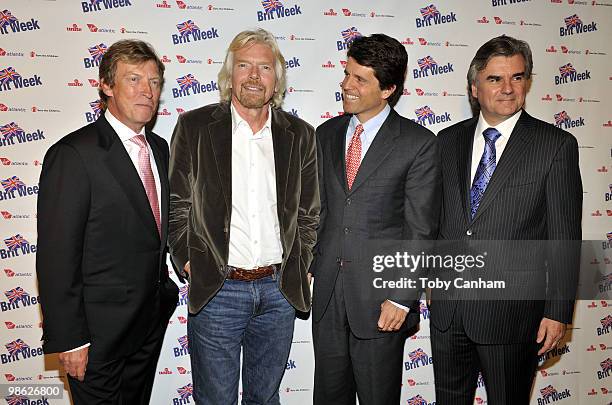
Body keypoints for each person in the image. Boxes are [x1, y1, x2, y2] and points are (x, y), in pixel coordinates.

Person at [168, 28, 319, 404]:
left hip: (278, 290)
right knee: (215, 398)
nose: (254, 76)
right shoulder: (195, 127)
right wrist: (190, 261)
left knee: (265, 398)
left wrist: (302, 263)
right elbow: (177, 205)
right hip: (218, 289)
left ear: (277, 78)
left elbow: (310, 213)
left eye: (264, 67)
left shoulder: (300, 134)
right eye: (244, 66)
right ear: (229, 74)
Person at [430, 35, 582, 404]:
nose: (508, 88)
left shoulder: (555, 145)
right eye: (495, 79)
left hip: (513, 315)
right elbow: (436, 219)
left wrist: (557, 311)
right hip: (449, 312)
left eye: (518, 77)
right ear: (474, 87)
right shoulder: (446, 141)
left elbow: (564, 237)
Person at [36, 39, 178, 405]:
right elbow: (57, 257)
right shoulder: (73, 155)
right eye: (133, 80)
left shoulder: (160, 149)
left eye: (154, 82)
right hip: (96, 338)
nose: (147, 91)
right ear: (106, 85)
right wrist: (70, 339)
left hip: (147, 327)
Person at [310, 33, 441, 405]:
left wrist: (401, 298)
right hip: (328, 294)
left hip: (381, 300)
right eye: (346, 74)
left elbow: (420, 229)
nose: (346, 85)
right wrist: (307, 264)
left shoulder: (418, 144)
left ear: (387, 89)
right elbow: (318, 212)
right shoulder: (327, 133)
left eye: (359, 79)